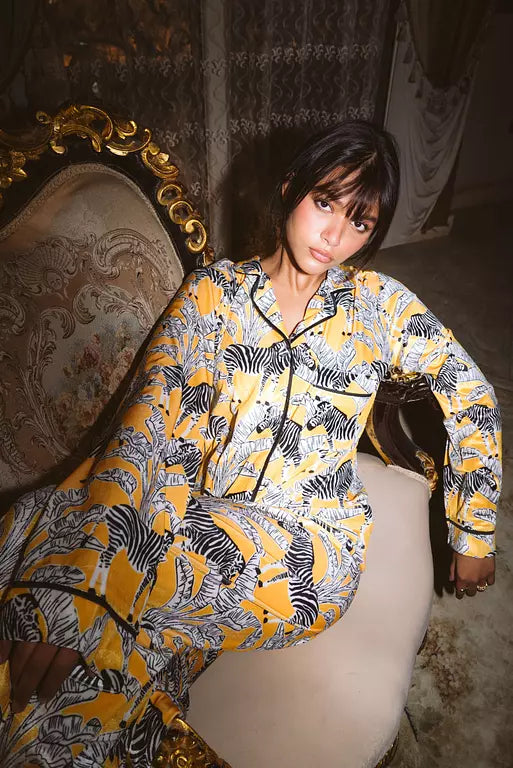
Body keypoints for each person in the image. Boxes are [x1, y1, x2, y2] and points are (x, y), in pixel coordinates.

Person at [0, 121, 501, 767]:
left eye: (360, 221)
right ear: (290, 188)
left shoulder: (380, 307)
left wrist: (474, 533)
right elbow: (151, 417)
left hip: (308, 552)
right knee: (47, 542)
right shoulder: (214, 295)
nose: (335, 236)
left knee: (52, 543)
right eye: (324, 202)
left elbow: (471, 392)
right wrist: (94, 554)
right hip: (200, 519)